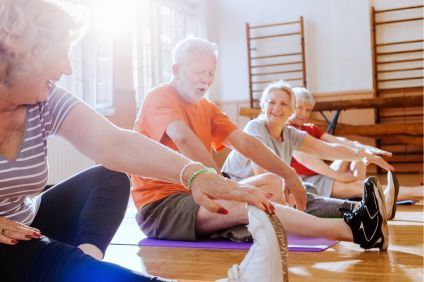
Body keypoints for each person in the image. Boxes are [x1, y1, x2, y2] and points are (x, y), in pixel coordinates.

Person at [0, 1, 275, 282]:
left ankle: (85, 265)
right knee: (38, 255)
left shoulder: (44, 100)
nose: (68, 68)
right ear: (23, 52)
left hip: (24, 221)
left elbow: (115, 143)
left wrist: (196, 174)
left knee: (109, 178)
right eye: (61, 54)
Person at [131, 37, 390, 272]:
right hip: (162, 207)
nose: (206, 79)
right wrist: (221, 185)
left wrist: (288, 174)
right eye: (199, 72)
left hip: (198, 196)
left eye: (211, 73)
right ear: (176, 70)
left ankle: (238, 226)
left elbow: (245, 142)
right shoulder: (160, 98)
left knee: (271, 182)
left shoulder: (206, 108)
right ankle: (355, 231)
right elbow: (183, 137)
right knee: (252, 203)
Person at [222, 80, 396, 221]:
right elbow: (262, 171)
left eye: (283, 104)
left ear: (290, 110)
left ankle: (370, 209)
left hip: (266, 189)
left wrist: (362, 156)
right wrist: (289, 190)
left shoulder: (290, 133)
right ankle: (369, 209)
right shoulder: (255, 127)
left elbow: (328, 149)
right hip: (236, 189)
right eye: (272, 102)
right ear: (263, 105)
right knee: (287, 188)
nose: (277, 108)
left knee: (307, 189)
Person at [288, 87, 423, 218]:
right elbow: (306, 159)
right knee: (358, 181)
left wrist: (365, 149)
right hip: (308, 183)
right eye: (300, 107)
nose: (304, 114)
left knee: (353, 153)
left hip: (320, 175)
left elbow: (339, 142)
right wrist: (338, 175)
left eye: (308, 110)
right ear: (291, 105)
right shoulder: (288, 130)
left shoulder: (310, 128)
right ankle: (418, 192)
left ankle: (358, 189)